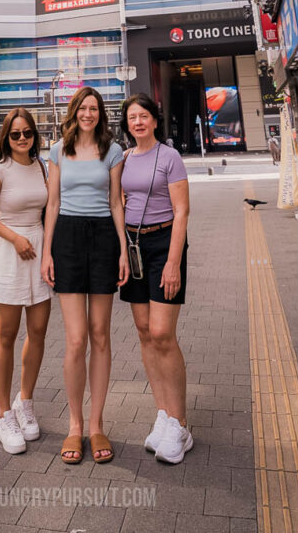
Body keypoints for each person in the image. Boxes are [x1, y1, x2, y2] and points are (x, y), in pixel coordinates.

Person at [41, 86, 128, 464]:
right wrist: (47, 251)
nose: (88, 114)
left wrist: (124, 250)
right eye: (83, 108)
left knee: (100, 334)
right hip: (68, 240)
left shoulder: (113, 151)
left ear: (100, 114)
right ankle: (74, 426)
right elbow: (53, 202)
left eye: (94, 109)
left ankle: (97, 424)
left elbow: (116, 202)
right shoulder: (59, 150)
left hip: (105, 237)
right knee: (76, 340)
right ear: (74, 111)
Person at [120, 93, 192, 464]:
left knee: (163, 333)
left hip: (165, 244)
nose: (138, 122)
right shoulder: (124, 159)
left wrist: (173, 262)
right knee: (145, 331)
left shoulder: (170, 157)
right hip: (134, 247)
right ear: (126, 123)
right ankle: (163, 413)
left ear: (154, 120)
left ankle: (180, 423)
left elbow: (182, 211)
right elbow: (119, 206)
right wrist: (120, 251)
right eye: (132, 117)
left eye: (144, 115)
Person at [0, 108, 52, 455]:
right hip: (10, 254)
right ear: (6, 138)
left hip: (38, 253)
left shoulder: (42, 167)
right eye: (15, 134)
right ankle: (4, 413)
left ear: (35, 135)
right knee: (6, 335)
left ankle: (26, 402)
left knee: (38, 332)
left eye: (27, 133)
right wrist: (15, 238)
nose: (22, 139)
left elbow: (49, 210)